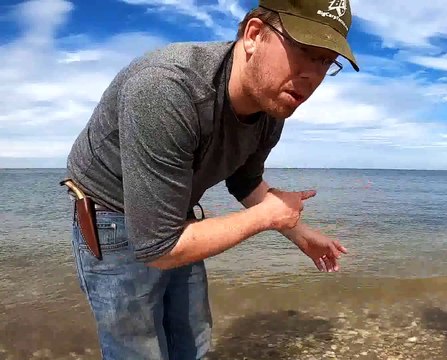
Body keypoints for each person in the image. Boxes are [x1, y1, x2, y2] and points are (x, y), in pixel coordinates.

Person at [60, 0, 360, 358]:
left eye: (325, 61)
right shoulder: (166, 88)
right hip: (111, 215)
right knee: (138, 351)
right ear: (254, 35)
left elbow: (245, 182)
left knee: (194, 346)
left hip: (176, 216)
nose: (313, 75)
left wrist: (298, 233)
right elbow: (157, 247)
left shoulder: (271, 107)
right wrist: (267, 216)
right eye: (304, 51)